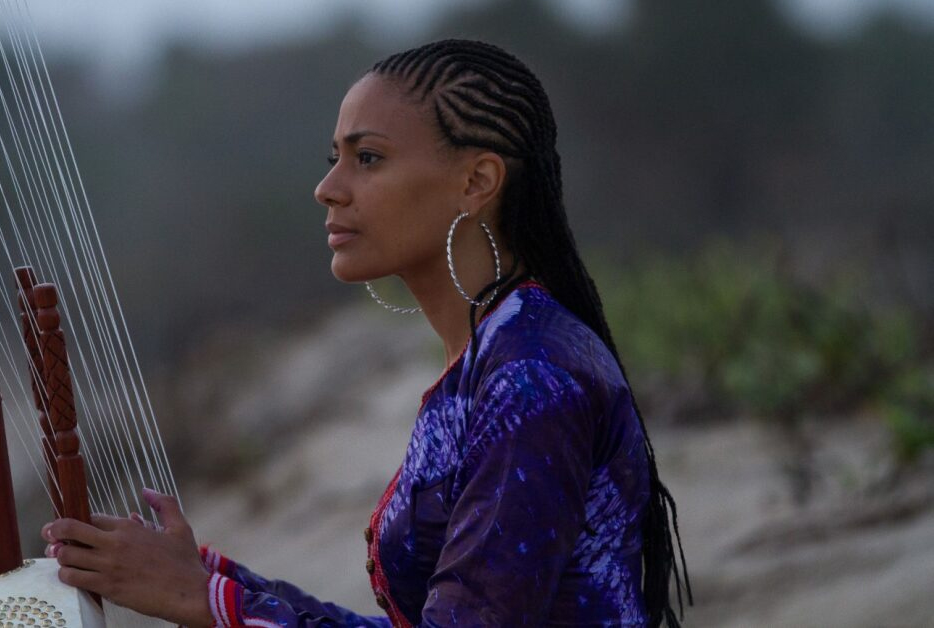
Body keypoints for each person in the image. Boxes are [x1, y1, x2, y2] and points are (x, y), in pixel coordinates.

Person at [42, 39, 690, 627]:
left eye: (368, 158)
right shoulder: (497, 350)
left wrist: (206, 603)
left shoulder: (530, 376)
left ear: (476, 182)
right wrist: (211, 579)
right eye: (335, 159)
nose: (327, 189)